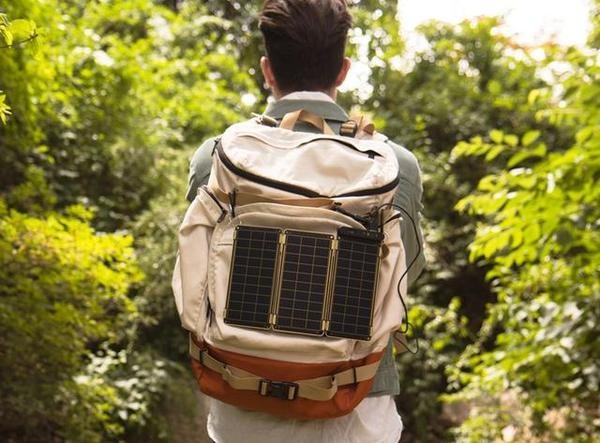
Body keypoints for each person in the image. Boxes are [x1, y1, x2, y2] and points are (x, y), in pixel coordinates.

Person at [185, 1, 425, 441]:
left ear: (267, 70)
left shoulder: (217, 158)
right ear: (343, 70)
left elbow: (197, 273)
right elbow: (404, 275)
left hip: (241, 399)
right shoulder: (395, 167)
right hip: (354, 407)